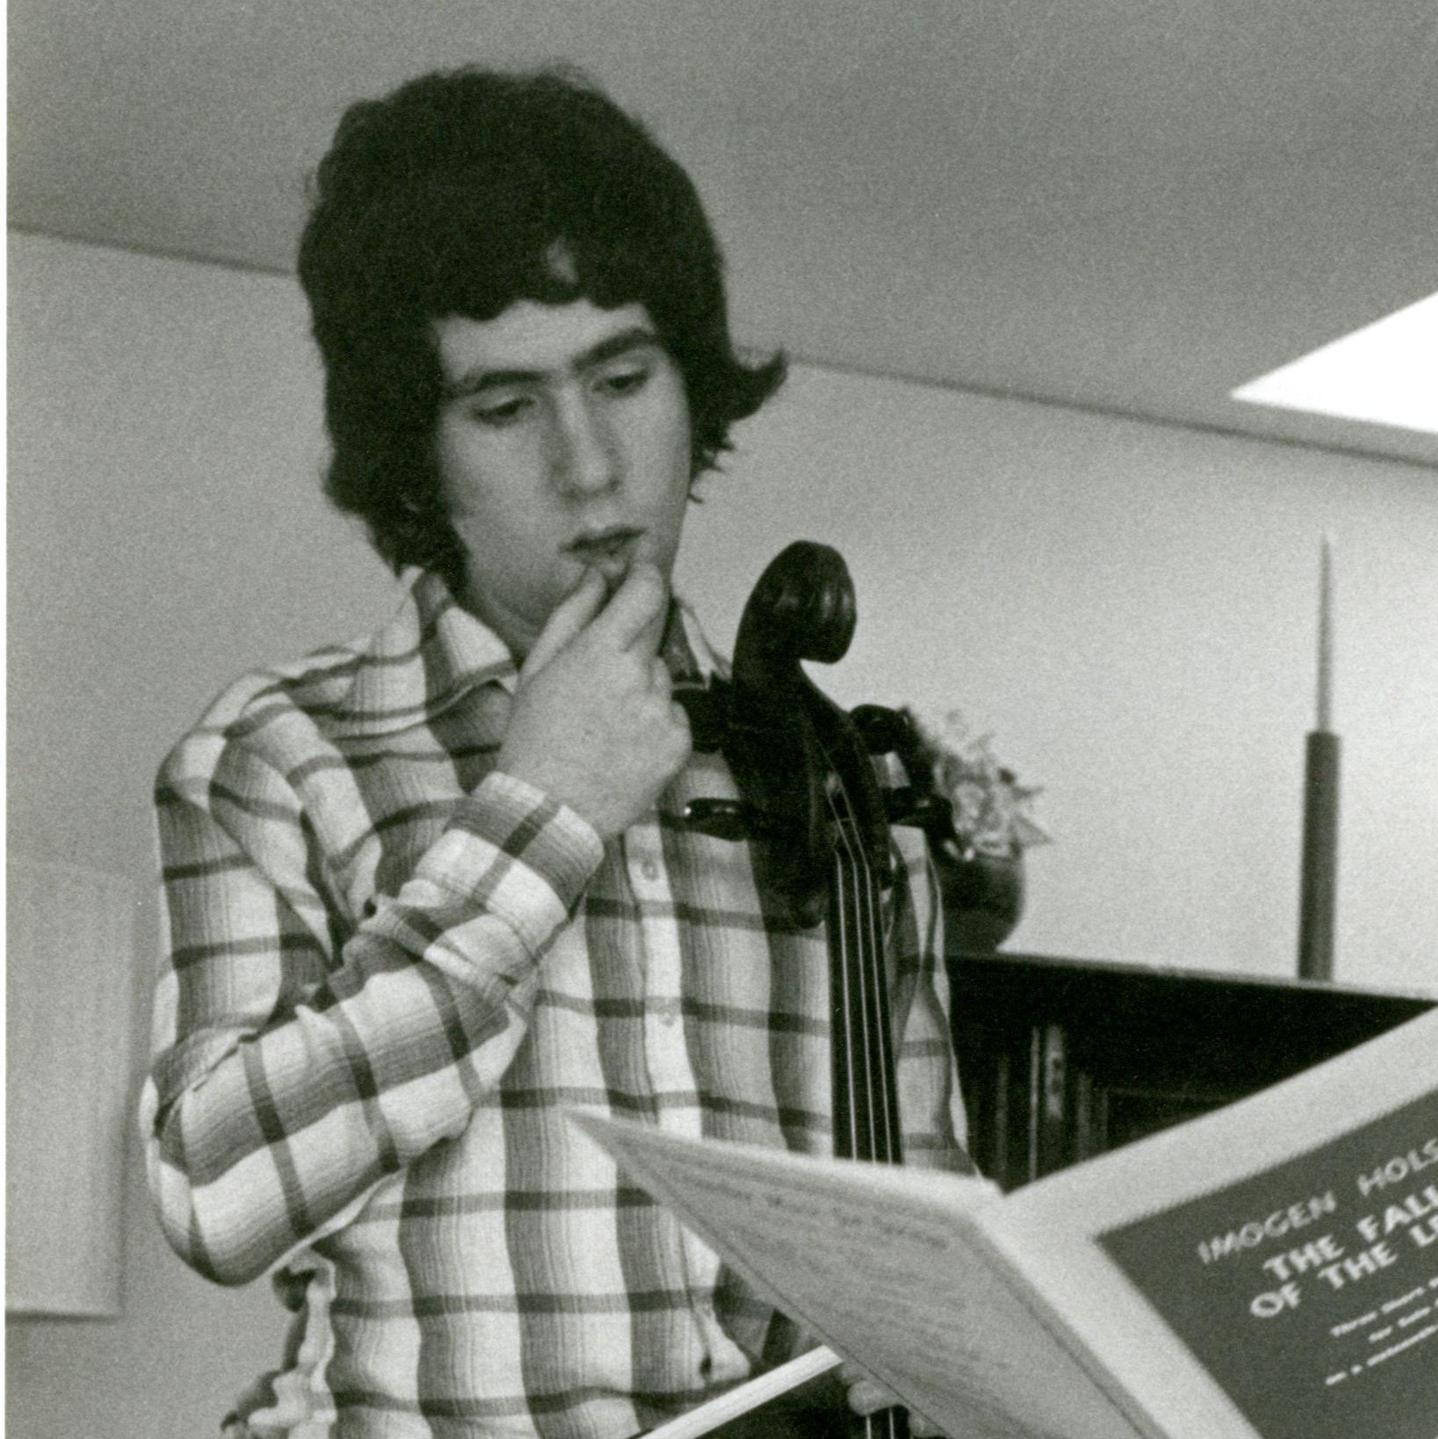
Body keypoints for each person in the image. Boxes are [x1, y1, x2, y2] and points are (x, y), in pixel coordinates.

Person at [139, 65, 972, 1438]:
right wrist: (540, 814)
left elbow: (921, 1257)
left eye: (625, 377)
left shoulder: (830, 779)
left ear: (693, 392)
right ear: (420, 452)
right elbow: (212, 1192)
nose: (590, 464)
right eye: (506, 406)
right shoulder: (277, 755)